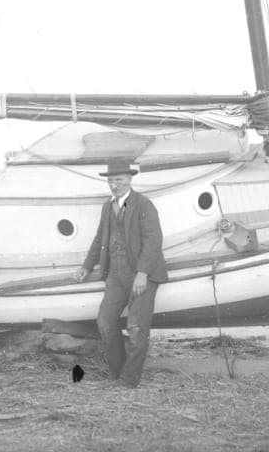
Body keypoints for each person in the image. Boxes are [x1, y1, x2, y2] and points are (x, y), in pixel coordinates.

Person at [75, 160, 167, 387]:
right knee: (105, 323)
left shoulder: (144, 205)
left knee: (136, 328)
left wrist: (142, 273)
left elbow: (154, 241)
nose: (114, 185)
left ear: (129, 179)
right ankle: (117, 373)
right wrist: (87, 266)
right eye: (110, 180)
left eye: (118, 180)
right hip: (116, 275)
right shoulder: (108, 206)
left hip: (142, 275)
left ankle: (128, 380)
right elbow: (100, 239)